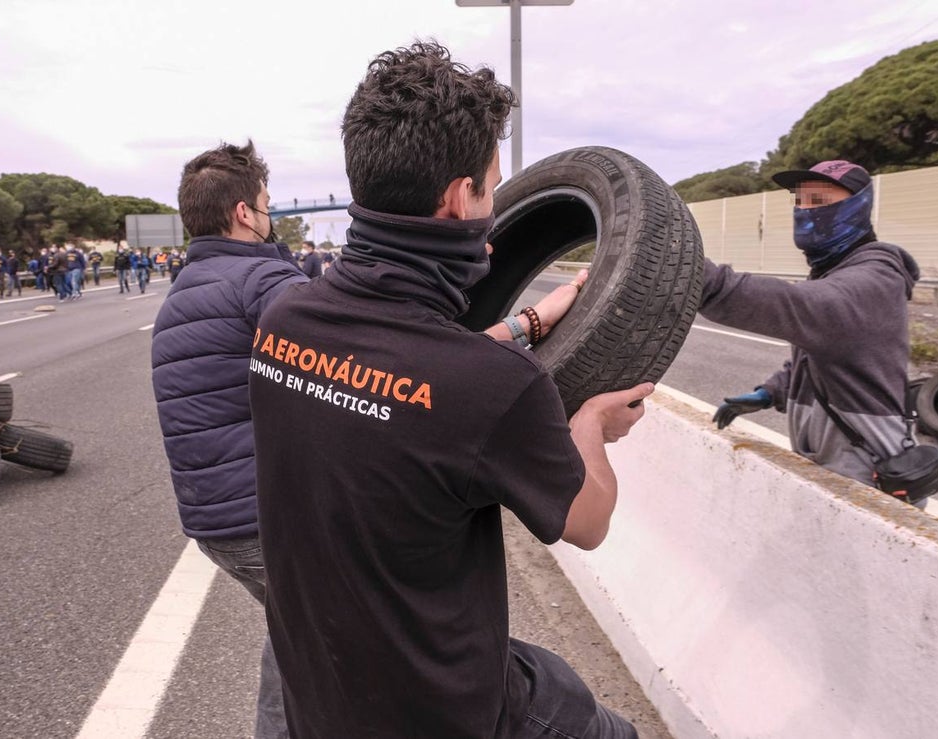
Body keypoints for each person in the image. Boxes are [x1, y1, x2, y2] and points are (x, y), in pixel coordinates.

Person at [247, 41, 649, 738]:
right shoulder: (491, 390)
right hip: (445, 710)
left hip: (321, 693)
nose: (494, 208)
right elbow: (587, 521)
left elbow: (399, 382)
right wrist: (590, 427)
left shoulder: (284, 321)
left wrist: (523, 324)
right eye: (491, 187)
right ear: (460, 196)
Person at [151, 140, 307, 739]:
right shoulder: (261, 274)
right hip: (266, 518)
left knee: (299, 633)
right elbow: (361, 354)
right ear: (245, 212)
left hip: (217, 526)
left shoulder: (184, 290)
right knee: (366, 630)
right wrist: (512, 330)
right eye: (266, 204)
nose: (269, 215)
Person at [702, 160, 924, 502]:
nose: (805, 211)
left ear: (858, 205)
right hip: (835, 461)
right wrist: (771, 391)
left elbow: (796, 305)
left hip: (868, 467)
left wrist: (694, 276)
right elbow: (818, 356)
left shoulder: (876, 277)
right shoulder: (832, 274)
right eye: (799, 202)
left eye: (819, 201)